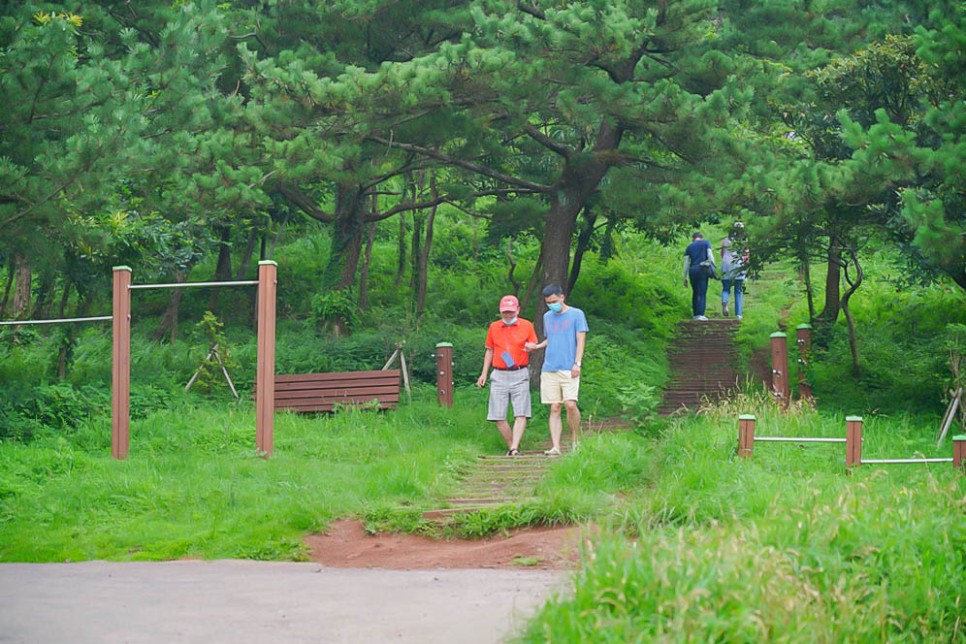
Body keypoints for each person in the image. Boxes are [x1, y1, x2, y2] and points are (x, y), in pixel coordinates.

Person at [525, 284, 588, 456]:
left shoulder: (576, 314)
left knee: (570, 404)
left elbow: (580, 340)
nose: (552, 305)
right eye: (548, 302)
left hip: (569, 367)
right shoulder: (547, 317)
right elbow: (550, 339)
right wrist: (536, 346)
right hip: (549, 367)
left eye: (554, 301)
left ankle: (576, 440)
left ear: (562, 297)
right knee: (554, 407)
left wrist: (577, 363)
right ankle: (556, 446)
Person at [476, 294, 537, 456]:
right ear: (500, 311)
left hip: (520, 373)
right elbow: (489, 350)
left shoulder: (527, 325)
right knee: (498, 415)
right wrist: (483, 374)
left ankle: (514, 447)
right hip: (499, 374)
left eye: (511, 312)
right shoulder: (494, 327)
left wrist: (532, 347)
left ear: (517, 310)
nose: (508, 315)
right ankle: (512, 446)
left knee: (521, 412)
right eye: (505, 312)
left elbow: (534, 343)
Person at [720, 221, 749, 319]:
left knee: (725, 288)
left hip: (726, 265)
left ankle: (724, 300)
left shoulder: (724, 240)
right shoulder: (744, 241)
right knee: (738, 290)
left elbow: (722, 254)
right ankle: (738, 314)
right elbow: (746, 256)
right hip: (738, 265)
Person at [683, 231, 714, 320]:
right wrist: (712, 268)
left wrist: (685, 277)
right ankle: (701, 314)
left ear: (693, 238)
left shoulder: (689, 246)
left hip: (692, 270)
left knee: (695, 292)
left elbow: (686, 263)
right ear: (701, 237)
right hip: (702, 269)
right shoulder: (706, 243)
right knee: (702, 292)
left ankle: (695, 314)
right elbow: (710, 256)